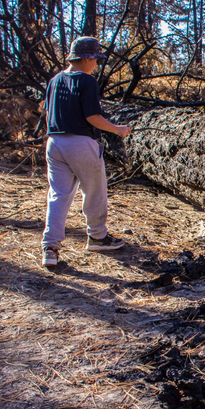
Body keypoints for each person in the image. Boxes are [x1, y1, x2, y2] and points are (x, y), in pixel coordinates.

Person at [41, 36, 131, 268]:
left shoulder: (54, 80)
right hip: (81, 143)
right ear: (88, 58)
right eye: (96, 60)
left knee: (58, 195)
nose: (96, 65)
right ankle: (98, 237)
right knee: (94, 191)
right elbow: (92, 117)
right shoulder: (86, 81)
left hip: (54, 142)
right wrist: (117, 129)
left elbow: (47, 111)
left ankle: (50, 247)